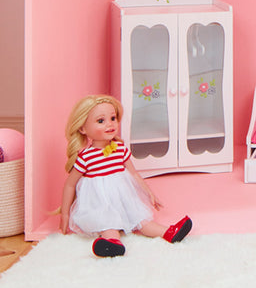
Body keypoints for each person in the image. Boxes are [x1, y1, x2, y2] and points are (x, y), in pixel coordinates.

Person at [60, 94, 192, 257]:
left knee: (141, 220)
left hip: (124, 198)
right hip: (100, 201)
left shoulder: (119, 149)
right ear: (83, 129)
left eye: (113, 118)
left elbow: (134, 174)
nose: (110, 124)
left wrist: (149, 193)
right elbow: (70, 184)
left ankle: (169, 232)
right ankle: (112, 244)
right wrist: (65, 214)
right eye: (101, 121)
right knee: (107, 223)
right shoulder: (86, 157)